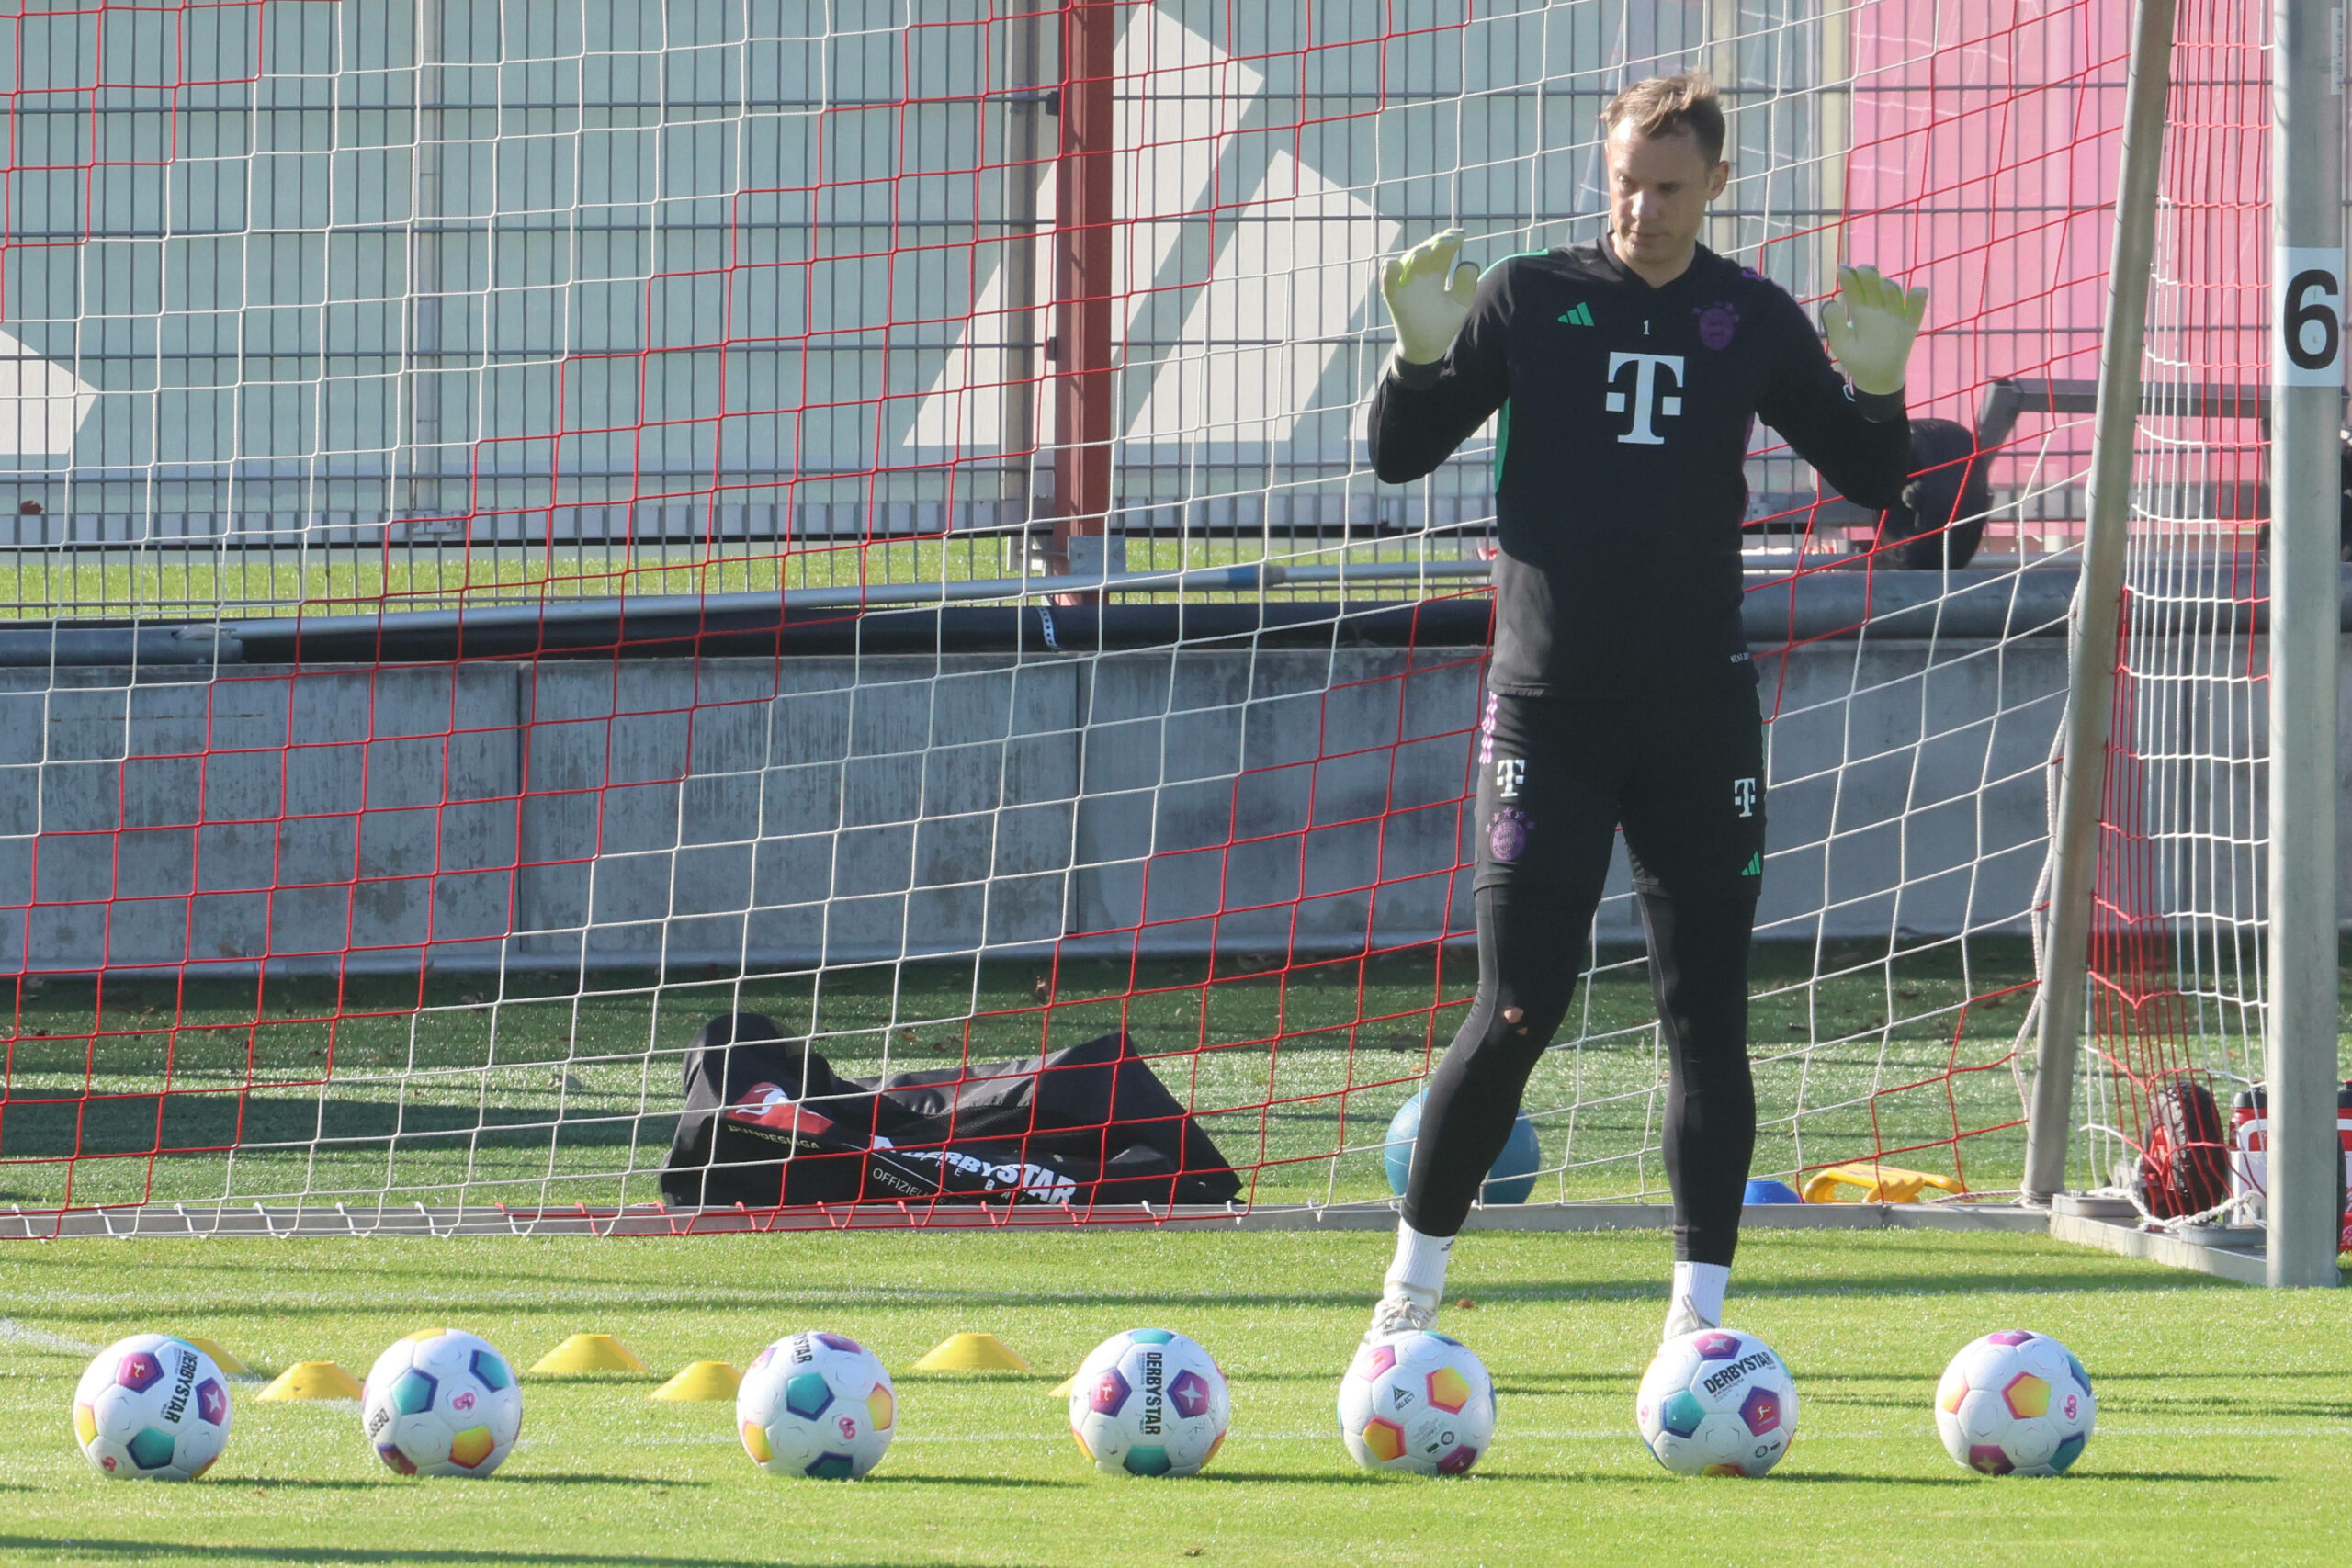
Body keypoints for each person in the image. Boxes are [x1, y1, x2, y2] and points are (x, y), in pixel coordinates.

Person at [1364, 72, 1927, 1342]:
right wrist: (1411, 359)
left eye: (1670, 185)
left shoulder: (1752, 315)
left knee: (1705, 1021)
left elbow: (1875, 479)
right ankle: (1407, 1300)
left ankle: (1698, 1323)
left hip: (1696, 722)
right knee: (1516, 1011)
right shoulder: (1530, 297)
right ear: (1601, 169)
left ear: (1717, 187)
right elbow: (1400, 454)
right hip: (1547, 715)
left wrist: (1880, 387)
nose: (1643, 205)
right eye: (1626, 178)